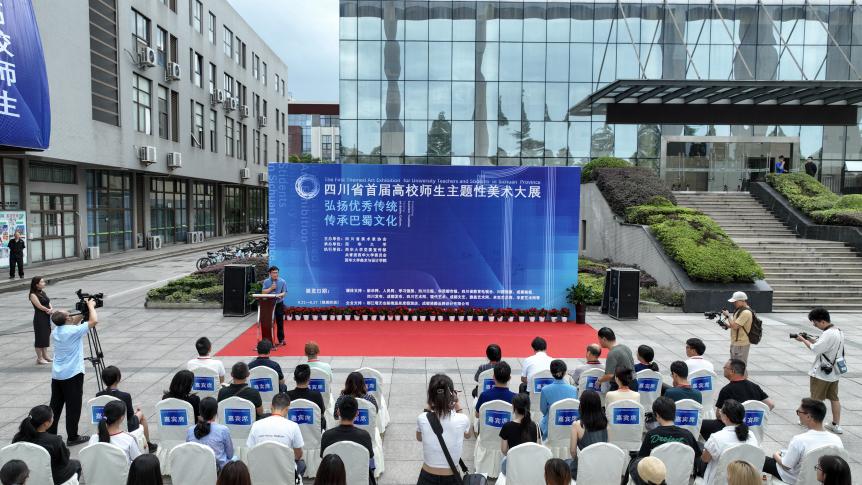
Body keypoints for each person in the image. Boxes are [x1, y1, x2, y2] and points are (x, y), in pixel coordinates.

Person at [47, 298, 99, 445]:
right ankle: (72, 437)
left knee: (55, 405)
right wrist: (91, 306)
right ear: (67, 319)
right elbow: (94, 321)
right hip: (72, 374)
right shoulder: (73, 331)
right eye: (69, 314)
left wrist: (83, 312)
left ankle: (50, 434)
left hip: (57, 375)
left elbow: (73, 323)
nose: (71, 315)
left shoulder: (56, 331)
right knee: (73, 406)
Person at [763, 398, 844, 484]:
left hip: (796, 479)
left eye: (799, 412)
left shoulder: (800, 440)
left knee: (760, 459)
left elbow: (786, 465)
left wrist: (775, 455)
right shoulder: (837, 440)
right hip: (823, 479)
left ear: (808, 417)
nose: (798, 415)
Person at [416, 374, 471, 485]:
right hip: (452, 477)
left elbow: (419, 438)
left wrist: (430, 403)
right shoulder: (463, 419)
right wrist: (457, 404)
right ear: (452, 395)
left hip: (427, 476)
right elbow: (468, 435)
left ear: (431, 396)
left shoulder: (422, 418)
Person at [700, 359, 774, 441]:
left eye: (725, 367)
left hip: (733, 429)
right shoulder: (755, 386)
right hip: (753, 429)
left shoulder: (727, 390)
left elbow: (719, 415)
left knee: (701, 425)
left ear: (732, 371)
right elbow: (770, 405)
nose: (723, 369)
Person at [798, 307, 844, 434]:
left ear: (823, 321)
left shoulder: (828, 334)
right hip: (834, 373)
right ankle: (836, 425)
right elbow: (824, 345)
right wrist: (809, 338)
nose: (815, 325)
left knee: (815, 399)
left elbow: (815, 349)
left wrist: (803, 340)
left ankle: (812, 422)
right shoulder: (838, 331)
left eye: (815, 323)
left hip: (821, 373)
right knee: (834, 398)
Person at [12, 405, 80, 484]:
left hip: (24, 475)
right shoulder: (55, 440)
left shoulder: (17, 438)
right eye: (52, 417)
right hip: (50, 477)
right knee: (76, 464)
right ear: (46, 423)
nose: (53, 418)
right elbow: (64, 460)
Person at [97, 365, 155, 452]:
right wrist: (137, 413)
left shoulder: (98, 395)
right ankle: (148, 443)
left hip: (105, 424)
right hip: (122, 425)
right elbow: (130, 416)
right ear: (118, 378)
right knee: (140, 414)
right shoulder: (125, 396)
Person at [700, 400, 758, 485]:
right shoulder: (752, 435)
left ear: (726, 417)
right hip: (744, 480)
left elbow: (705, 459)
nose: (719, 412)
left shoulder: (716, 437)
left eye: (721, 411)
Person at [246, 393, 305, 476]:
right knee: (301, 464)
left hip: (261, 470)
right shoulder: (293, 426)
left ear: (271, 406)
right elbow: (298, 455)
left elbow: (250, 451)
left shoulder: (256, 425)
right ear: (287, 409)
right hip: (284, 472)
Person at [320, 396, 375, 481]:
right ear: (357, 413)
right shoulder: (365, 436)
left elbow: (323, 458)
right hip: (358, 479)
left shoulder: (327, 436)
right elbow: (370, 459)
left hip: (334, 479)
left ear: (338, 412)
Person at [637, 397, 700, 469]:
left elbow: (642, 460)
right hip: (681, 474)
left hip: (656, 474)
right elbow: (697, 458)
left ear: (657, 415)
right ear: (674, 413)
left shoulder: (651, 435)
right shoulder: (688, 435)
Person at [567, 390, 608, 478]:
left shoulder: (577, 425)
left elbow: (573, 451)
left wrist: (578, 460)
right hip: (602, 466)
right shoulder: (606, 422)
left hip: (584, 468)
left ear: (582, 405)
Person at [186, 397, 234, 470]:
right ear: (216, 412)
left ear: (200, 412)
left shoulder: (190, 430)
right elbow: (230, 455)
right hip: (219, 471)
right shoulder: (223, 430)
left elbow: (188, 452)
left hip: (197, 469)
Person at [500, 394, 539, 474]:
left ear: (514, 408)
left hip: (513, 466)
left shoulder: (507, 426)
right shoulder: (535, 426)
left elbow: (504, 450)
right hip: (530, 466)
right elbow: (537, 447)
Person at [540, 360, 578, 438]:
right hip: (569, 426)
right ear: (565, 372)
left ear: (551, 372)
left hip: (551, 427)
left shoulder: (545, 389)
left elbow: (543, 410)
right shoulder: (573, 389)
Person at [287, 364, 327, 429]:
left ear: (294, 378)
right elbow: (321, 413)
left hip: (291, 432)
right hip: (313, 432)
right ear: (309, 379)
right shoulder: (316, 395)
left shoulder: (287, 396)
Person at [722, 291, 754, 365]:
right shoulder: (740, 310)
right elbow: (736, 325)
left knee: (739, 366)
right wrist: (727, 325)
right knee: (735, 366)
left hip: (741, 343)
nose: (734, 303)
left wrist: (728, 316)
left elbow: (735, 326)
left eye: (735, 301)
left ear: (742, 301)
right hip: (736, 342)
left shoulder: (745, 312)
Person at [29, 276, 52, 365]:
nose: (44, 283)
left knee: (46, 336)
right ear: (36, 284)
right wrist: (48, 310)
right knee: (40, 338)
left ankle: (45, 356)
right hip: (40, 317)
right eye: (42, 282)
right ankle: (39, 358)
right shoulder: (33, 295)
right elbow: (39, 306)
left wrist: (51, 308)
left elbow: (48, 302)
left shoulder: (43, 292)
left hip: (46, 316)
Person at [261, 266, 287, 346]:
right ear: (270, 273)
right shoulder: (266, 281)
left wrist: (279, 295)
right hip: (268, 304)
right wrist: (271, 288)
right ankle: (268, 340)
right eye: (274, 273)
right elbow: (263, 292)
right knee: (268, 323)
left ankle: (281, 339)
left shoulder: (282, 281)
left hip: (279, 303)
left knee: (280, 322)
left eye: (277, 272)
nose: (276, 274)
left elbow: (285, 292)